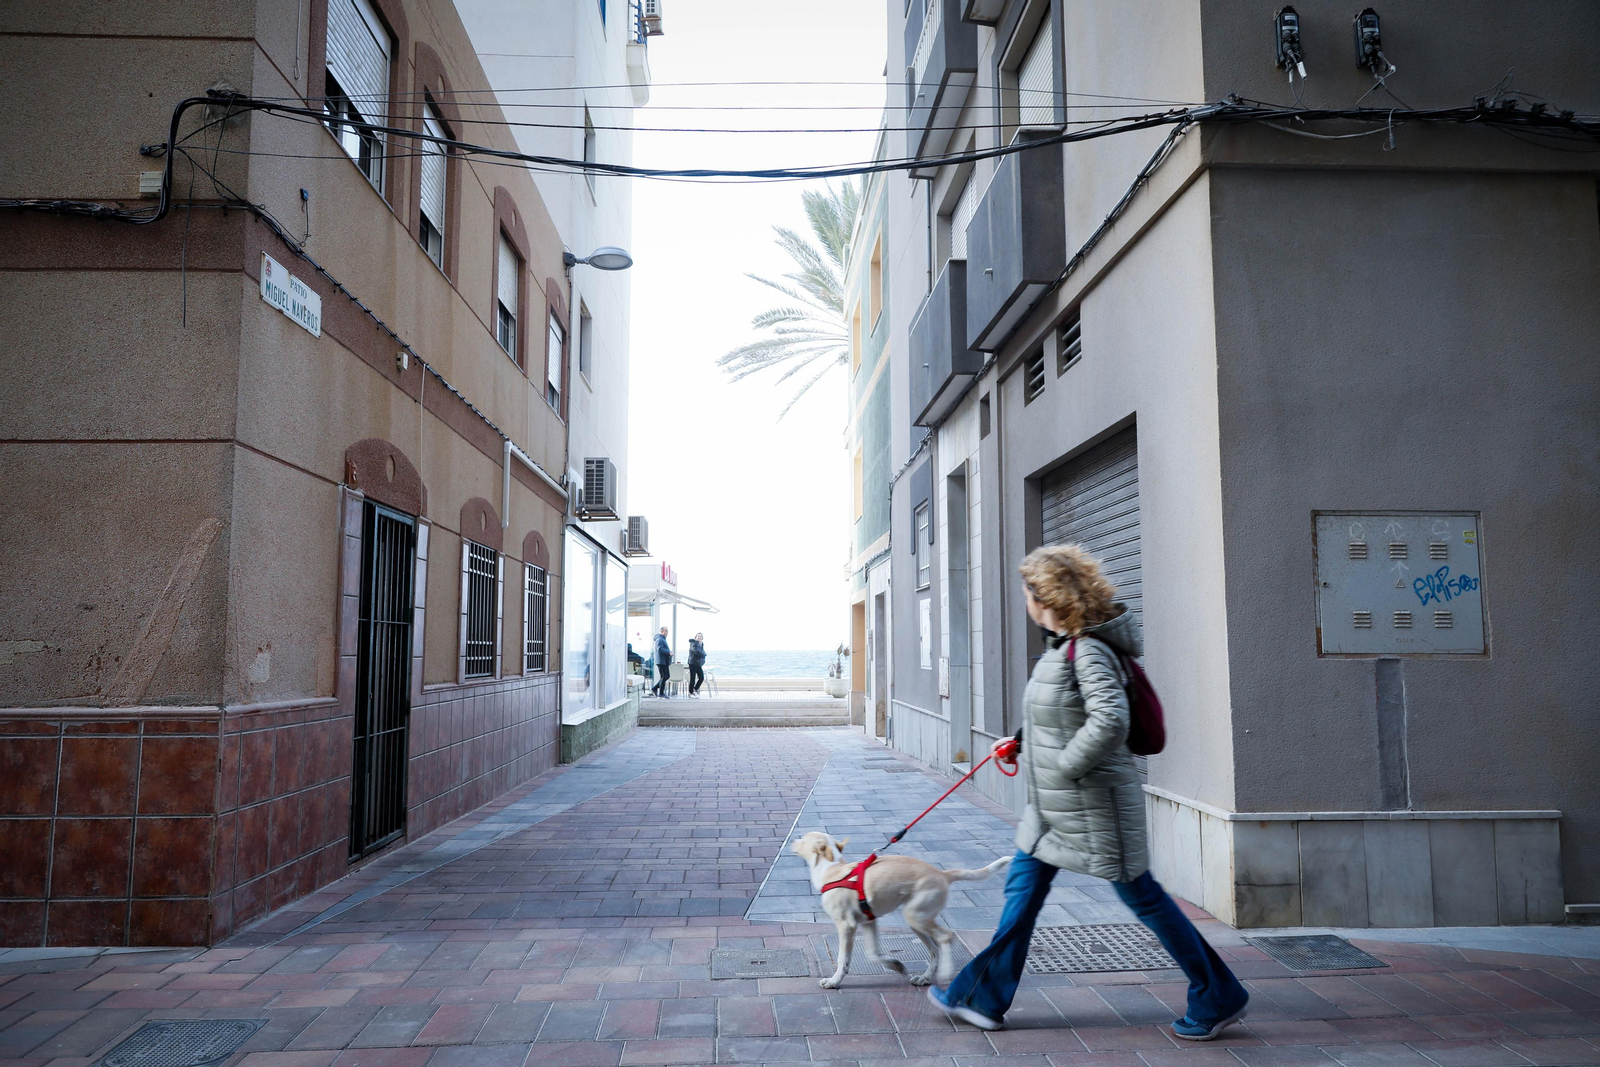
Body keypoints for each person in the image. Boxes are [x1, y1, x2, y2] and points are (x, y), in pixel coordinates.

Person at [928, 544, 1249, 1041]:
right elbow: (1062, 717)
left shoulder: (1090, 651)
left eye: (1027, 592)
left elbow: (1110, 720)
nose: (1025, 601)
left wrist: (1061, 764)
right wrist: (1020, 742)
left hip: (1096, 813)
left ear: (1046, 596)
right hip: (1053, 813)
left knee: (1146, 901)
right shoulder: (1064, 648)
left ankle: (1218, 994)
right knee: (1022, 894)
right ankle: (983, 998)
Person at [651, 626, 672, 698]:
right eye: (666, 631)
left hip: (663, 661)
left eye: (667, 631)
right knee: (664, 676)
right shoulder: (659, 639)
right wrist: (669, 652)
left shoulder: (663, 639)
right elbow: (659, 649)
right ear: (662, 631)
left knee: (666, 676)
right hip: (661, 661)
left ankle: (655, 688)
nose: (667, 633)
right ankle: (661, 693)